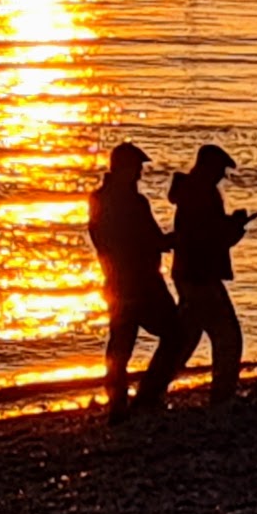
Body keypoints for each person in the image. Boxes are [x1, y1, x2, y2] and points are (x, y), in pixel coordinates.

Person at [84, 140, 179, 420]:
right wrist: (170, 240)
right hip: (142, 283)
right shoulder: (133, 202)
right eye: (136, 168)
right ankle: (146, 395)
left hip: (117, 282)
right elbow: (151, 239)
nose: (140, 174)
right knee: (173, 335)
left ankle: (119, 403)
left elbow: (101, 240)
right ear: (124, 169)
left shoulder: (98, 199)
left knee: (120, 346)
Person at [153, 142, 254, 402]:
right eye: (220, 170)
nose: (222, 176)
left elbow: (201, 233)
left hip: (188, 272)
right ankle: (222, 394)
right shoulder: (203, 194)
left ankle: (152, 392)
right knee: (227, 337)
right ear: (208, 168)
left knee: (185, 338)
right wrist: (235, 228)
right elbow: (208, 238)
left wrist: (230, 227)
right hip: (201, 274)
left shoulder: (191, 192)